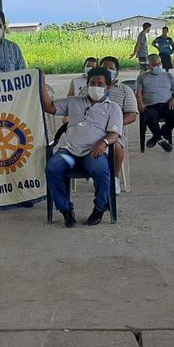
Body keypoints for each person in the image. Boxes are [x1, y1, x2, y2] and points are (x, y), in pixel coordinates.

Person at [42, 68, 123, 228]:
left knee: (101, 171)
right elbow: (49, 108)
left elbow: (114, 134)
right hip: (70, 151)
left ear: (108, 87)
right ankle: (66, 211)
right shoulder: (73, 102)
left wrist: (104, 142)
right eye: (92, 83)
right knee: (52, 168)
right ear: (87, 84)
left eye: (100, 84)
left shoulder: (113, 108)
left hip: (93, 151)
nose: (95, 86)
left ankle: (100, 208)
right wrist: (42, 82)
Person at [79, 56, 138, 194]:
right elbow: (77, 108)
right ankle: (91, 173)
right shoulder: (87, 89)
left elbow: (132, 114)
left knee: (115, 146)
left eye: (111, 69)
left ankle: (114, 177)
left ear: (117, 72)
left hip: (113, 131)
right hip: (89, 129)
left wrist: (114, 122)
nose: (107, 70)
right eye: (105, 68)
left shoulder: (124, 90)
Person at [136, 54, 174, 153]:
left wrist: (173, 99)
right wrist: (140, 103)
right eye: (155, 64)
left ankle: (158, 135)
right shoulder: (142, 77)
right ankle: (160, 139)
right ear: (149, 65)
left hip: (167, 104)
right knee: (150, 116)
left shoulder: (168, 76)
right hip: (151, 105)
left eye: (159, 63)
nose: (158, 66)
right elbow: (138, 92)